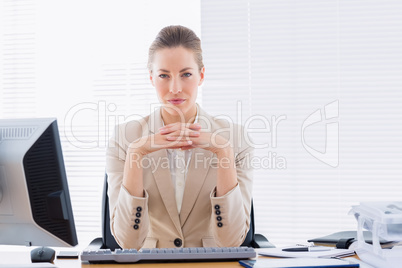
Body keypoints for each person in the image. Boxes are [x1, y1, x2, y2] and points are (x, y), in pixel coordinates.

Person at [106, 25, 253, 249]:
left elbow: (231, 241)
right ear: (151, 78)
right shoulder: (126, 138)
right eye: (164, 75)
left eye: (186, 74)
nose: (175, 88)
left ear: (201, 76)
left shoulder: (235, 138)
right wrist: (136, 153)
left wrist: (223, 152)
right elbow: (127, 242)